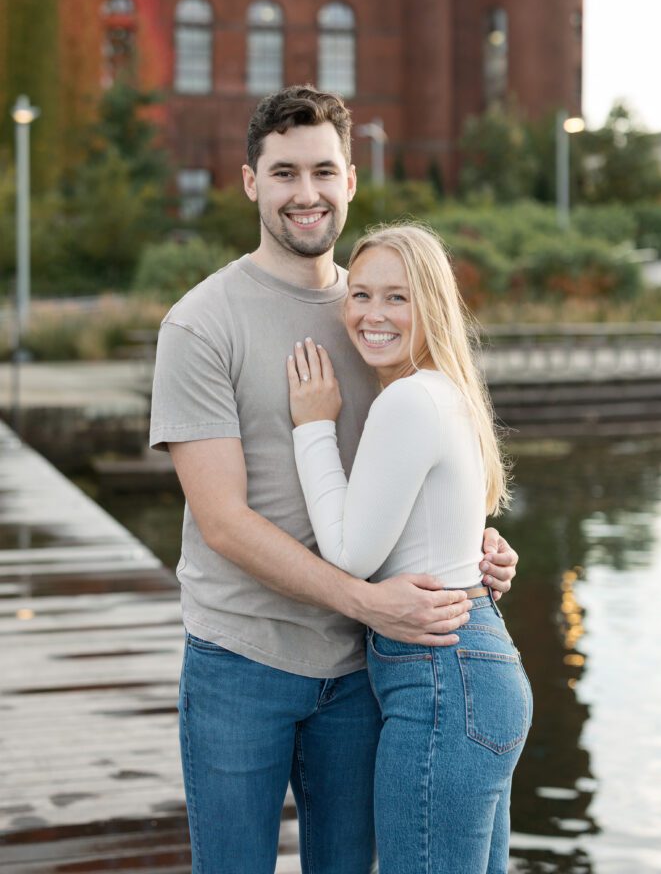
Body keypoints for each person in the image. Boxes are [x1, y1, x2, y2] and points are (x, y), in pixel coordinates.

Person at [149, 85, 519, 874]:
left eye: (323, 170)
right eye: (283, 173)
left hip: (363, 671)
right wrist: (365, 599)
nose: (306, 193)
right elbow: (221, 520)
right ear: (250, 181)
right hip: (240, 659)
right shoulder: (199, 323)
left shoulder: (378, 307)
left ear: (351, 178)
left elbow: (431, 452)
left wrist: (473, 547)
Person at [287, 223, 532, 874]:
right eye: (359, 294)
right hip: (472, 667)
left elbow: (350, 557)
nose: (372, 314)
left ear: (431, 304)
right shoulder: (446, 390)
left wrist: (311, 427)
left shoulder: (408, 400)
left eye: (396, 298)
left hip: (442, 684)